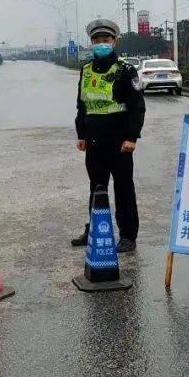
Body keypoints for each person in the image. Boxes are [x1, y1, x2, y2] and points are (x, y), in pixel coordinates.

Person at [71, 18, 146, 252]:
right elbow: (82, 104)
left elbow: (137, 106)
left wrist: (132, 137)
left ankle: (127, 235)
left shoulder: (125, 70)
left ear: (115, 41)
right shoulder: (85, 70)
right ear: (90, 42)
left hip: (119, 141)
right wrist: (81, 134)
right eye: (96, 40)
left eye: (105, 39)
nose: (100, 43)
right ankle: (94, 228)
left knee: (123, 188)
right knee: (96, 187)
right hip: (94, 140)